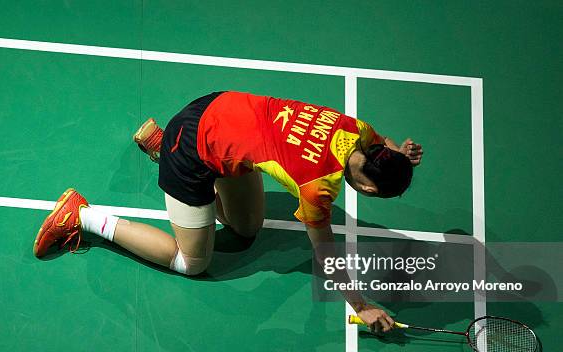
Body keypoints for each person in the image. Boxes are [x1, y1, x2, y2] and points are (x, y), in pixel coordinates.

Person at [33, 91, 423, 333]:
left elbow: (382, 144)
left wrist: (399, 157)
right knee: (192, 262)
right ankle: (83, 216)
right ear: (369, 189)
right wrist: (363, 306)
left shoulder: (355, 130)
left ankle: (167, 138)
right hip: (192, 152)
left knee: (247, 227)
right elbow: (326, 254)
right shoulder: (316, 186)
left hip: (219, 109)